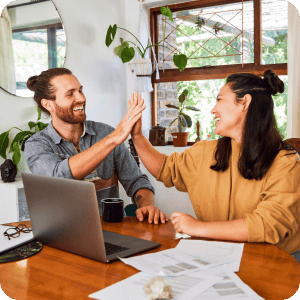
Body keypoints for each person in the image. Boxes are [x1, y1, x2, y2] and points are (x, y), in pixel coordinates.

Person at [129, 70, 300, 259]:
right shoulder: (205, 152)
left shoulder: (285, 162)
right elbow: (166, 168)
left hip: (280, 263)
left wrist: (198, 227)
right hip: (223, 257)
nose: (213, 110)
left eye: (220, 99)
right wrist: (137, 136)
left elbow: (270, 225)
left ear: (245, 103)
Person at [24, 67, 168, 224]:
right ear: (48, 104)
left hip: (112, 233)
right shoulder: (36, 145)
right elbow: (58, 176)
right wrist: (114, 138)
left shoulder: (106, 133)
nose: (81, 98)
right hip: (62, 236)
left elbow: (137, 181)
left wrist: (146, 205)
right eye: (70, 94)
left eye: (80, 90)